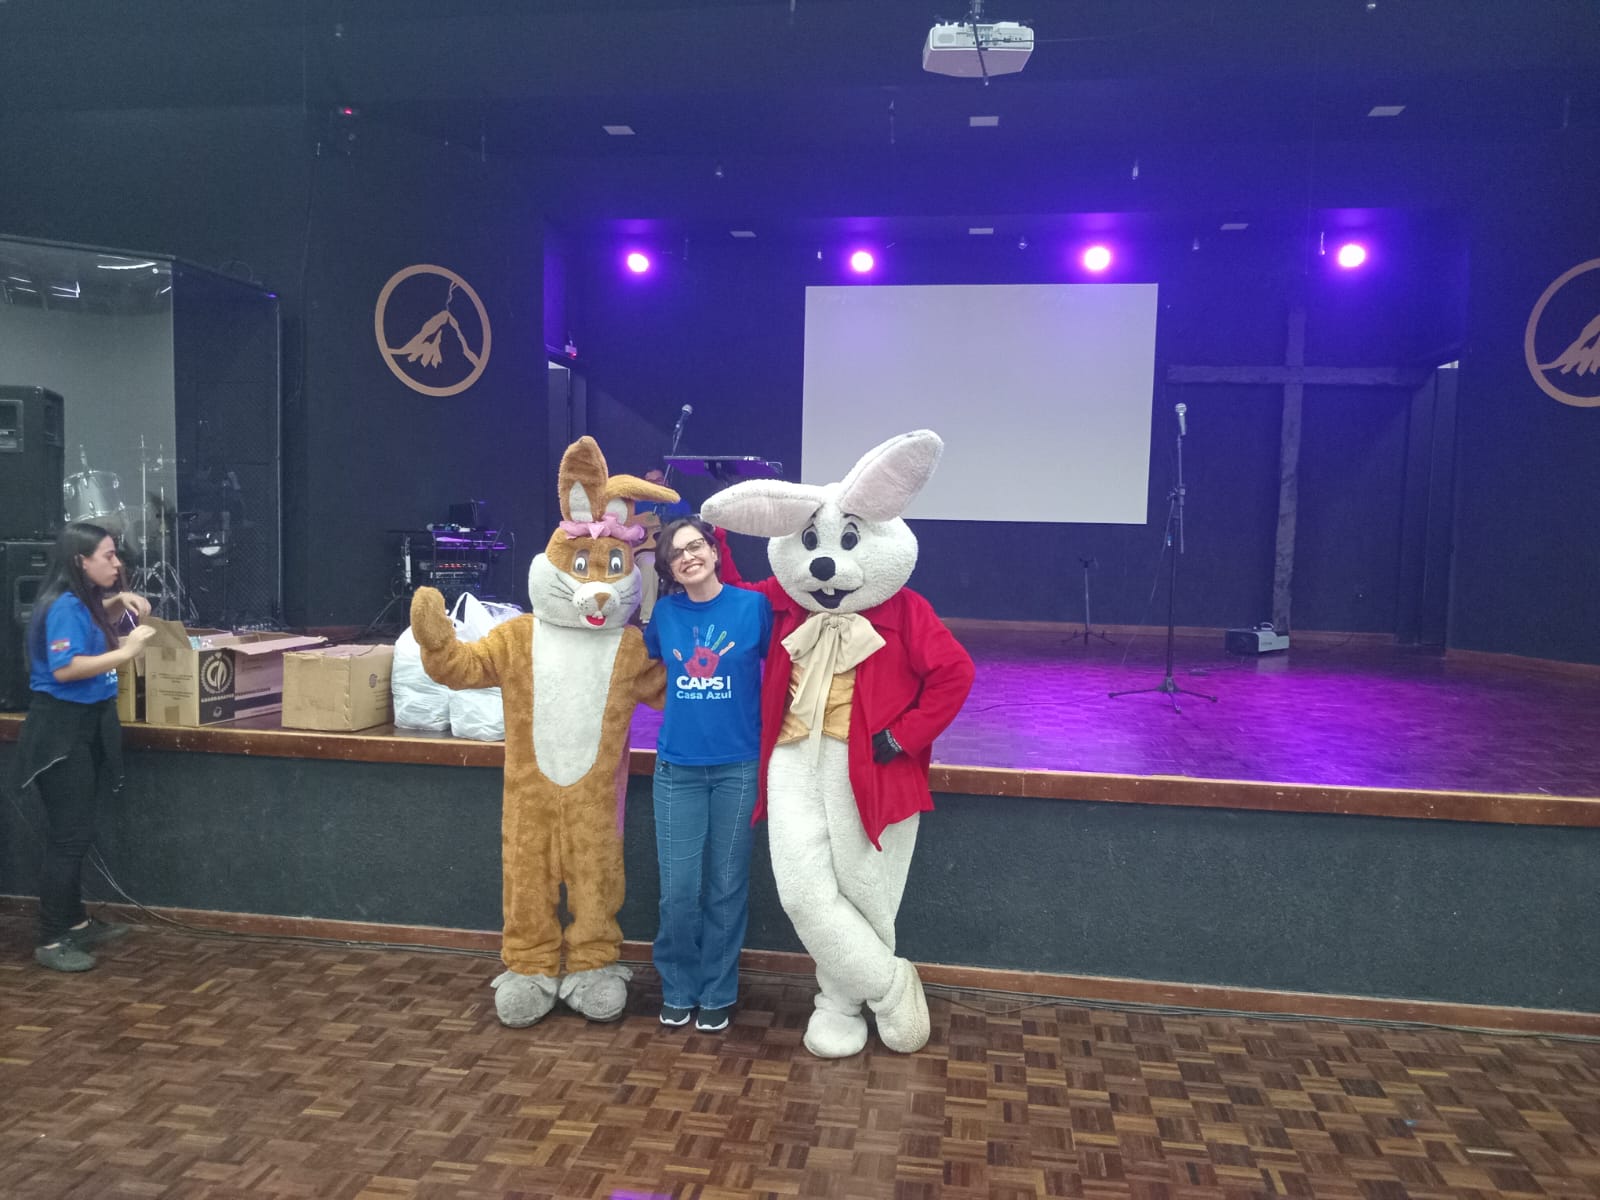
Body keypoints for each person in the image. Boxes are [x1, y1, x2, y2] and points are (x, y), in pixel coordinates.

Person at [642, 516, 772, 1032]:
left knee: (725, 887)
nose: (688, 557)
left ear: (714, 551)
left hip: (738, 768)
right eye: (676, 553)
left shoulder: (753, 608)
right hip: (677, 770)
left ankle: (718, 991)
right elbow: (647, 665)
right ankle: (678, 986)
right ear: (669, 569)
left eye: (695, 546)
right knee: (677, 890)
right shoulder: (665, 615)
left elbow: (782, 669)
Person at [15, 522, 154, 972]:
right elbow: (67, 667)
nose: (117, 563)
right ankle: (52, 939)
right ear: (81, 561)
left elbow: (93, 623)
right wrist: (128, 651)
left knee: (76, 834)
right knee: (68, 838)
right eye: (108, 556)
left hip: (85, 725)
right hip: (60, 732)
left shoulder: (84, 600)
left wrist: (117, 601)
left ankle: (74, 923)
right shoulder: (63, 606)